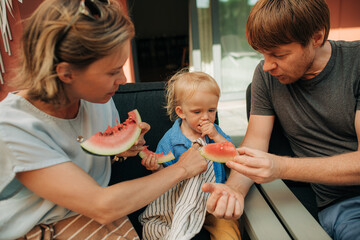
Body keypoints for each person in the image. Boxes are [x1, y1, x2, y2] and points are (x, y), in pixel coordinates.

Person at [0, 0, 208, 239]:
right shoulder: (12, 128)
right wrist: (182, 168)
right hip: (36, 231)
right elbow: (102, 205)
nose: (121, 79)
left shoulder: (98, 101)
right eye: (112, 72)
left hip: (96, 223)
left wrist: (122, 149)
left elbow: (82, 148)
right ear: (66, 73)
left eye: (121, 67)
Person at [207, 0, 360, 239]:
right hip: (343, 206)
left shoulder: (356, 64)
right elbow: (253, 145)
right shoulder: (266, 77)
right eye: (263, 54)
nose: (267, 65)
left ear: (316, 38)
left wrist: (281, 167)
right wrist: (234, 190)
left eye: (279, 54)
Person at [139, 70, 241, 239]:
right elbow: (164, 179)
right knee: (152, 229)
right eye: (197, 112)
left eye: (211, 110)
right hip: (179, 203)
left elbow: (232, 154)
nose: (206, 117)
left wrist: (215, 136)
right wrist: (155, 167)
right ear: (180, 112)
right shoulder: (170, 140)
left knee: (229, 230)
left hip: (213, 203)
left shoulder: (215, 131)